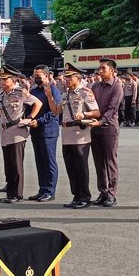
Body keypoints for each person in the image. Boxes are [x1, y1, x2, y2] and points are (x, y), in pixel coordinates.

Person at [0, 65, 42, 204]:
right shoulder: (2, 94)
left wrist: (30, 117)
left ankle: (17, 194)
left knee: (16, 164)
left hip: (17, 132)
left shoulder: (20, 93)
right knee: (9, 164)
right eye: (1, 79)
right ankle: (10, 192)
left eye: (5, 79)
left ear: (13, 80)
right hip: (5, 132)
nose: (2, 81)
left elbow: (38, 103)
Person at [45, 63, 100, 208]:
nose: (66, 80)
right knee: (71, 167)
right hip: (67, 135)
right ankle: (76, 195)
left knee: (81, 167)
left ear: (78, 78)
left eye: (69, 77)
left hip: (80, 135)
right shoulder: (65, 94)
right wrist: (50, 97)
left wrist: (84, 113)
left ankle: (84, 197)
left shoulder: (85, 93)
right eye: (66, 77)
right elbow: (56, 111)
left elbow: (96, 112)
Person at [89, 58, 124, 207]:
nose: (100, 71)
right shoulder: (95, 85)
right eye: (99, 68)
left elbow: (112, 109)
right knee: (99, 162)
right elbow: (90, 105)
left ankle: (111, 194)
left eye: (103, 68)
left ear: (112, 70)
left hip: (108, 127)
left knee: (110, 161)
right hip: (95, 126)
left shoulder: (117, 87)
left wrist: (101, 121)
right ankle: (102, 192)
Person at [27, 64, 61, 202]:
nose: (36, 78)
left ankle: (50, 191)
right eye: (34, 76)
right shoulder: (34, 91)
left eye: (38, 76)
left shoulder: (53, 90)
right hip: (35, 130)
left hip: (48, 130)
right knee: (40, 161)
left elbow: (54, 111)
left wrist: (39, 121)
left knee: (49, 161)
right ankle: (42, 189)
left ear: (46, 76)